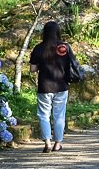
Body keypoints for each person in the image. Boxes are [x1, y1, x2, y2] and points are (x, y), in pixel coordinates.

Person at [29, 21, 78, 152]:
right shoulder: (64, 47)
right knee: (59, 115)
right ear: (58, 32)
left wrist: (42, 65)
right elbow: (72, 64)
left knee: (43, 115)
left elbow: (33, 69)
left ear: (44, 33)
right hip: (61, 86)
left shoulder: (39, 48)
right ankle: (57, 143)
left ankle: (47, 143)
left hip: (44, 87)